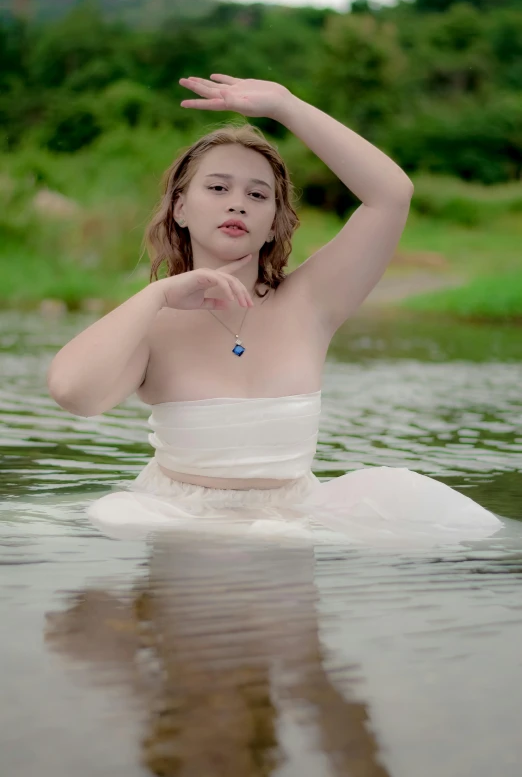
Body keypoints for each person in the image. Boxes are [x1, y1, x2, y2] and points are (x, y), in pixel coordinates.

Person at [47, 74, 503, 547]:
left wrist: (287, 106)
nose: (238, 204)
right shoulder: (153, 323)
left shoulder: (310, 301)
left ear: (272, 225)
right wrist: (156, 296)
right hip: (178, 520)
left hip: (296, 515)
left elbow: (390, 196)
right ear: (180, 209)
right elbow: (73, 394)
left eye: (257, 195)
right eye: (219, 188)